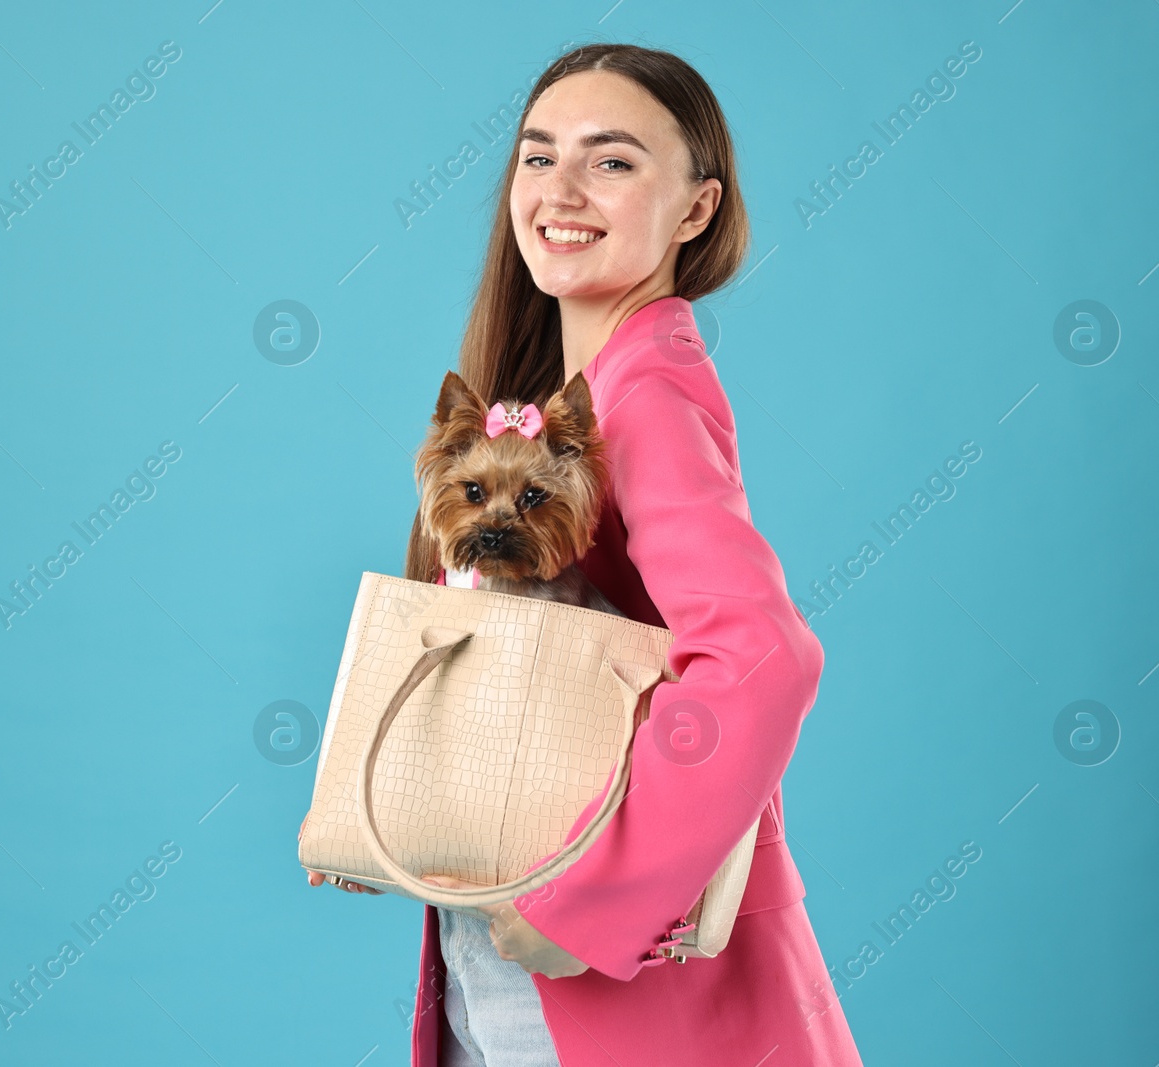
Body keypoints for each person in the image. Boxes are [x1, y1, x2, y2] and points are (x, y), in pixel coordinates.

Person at [310, 42, 864, 1066]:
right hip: (515, 940)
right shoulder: (580, 379)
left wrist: (594, 901)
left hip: (608, 981)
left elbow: (761, 656)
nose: (559, 190)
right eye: (536, 156)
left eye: (610, 160)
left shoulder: (645, 388)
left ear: (695, 209)